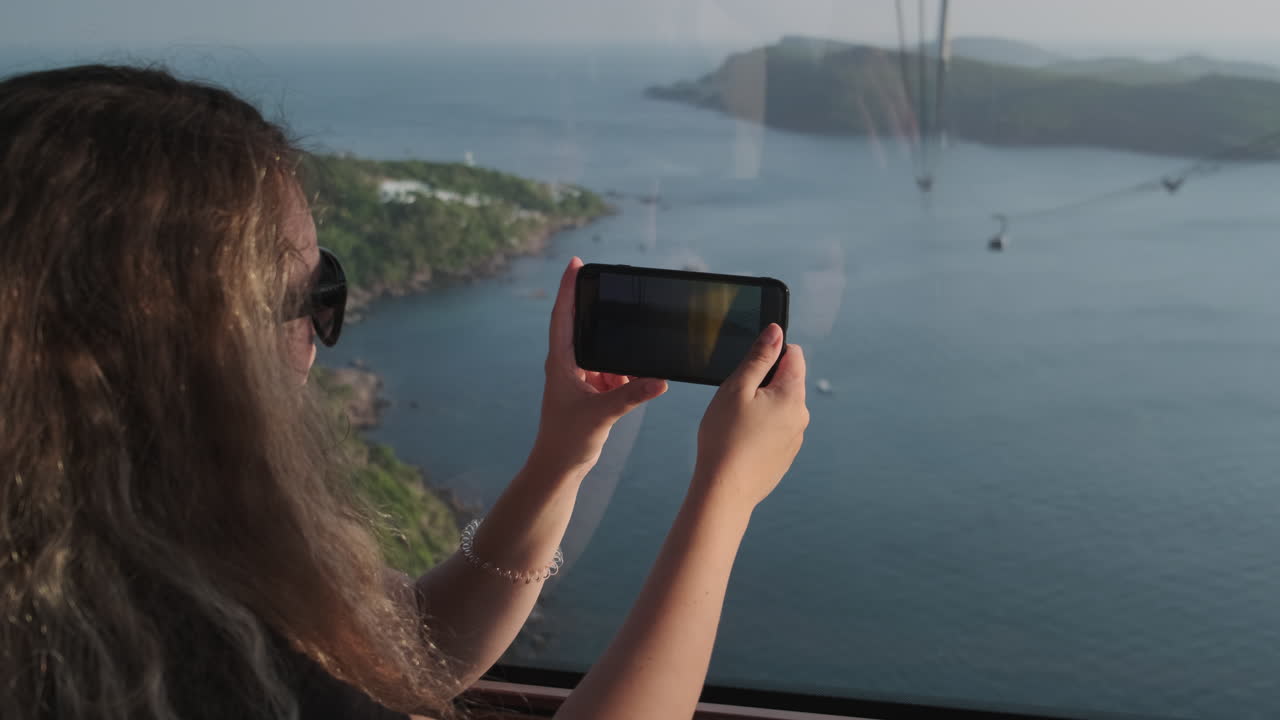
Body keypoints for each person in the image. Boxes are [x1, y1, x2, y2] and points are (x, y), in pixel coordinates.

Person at [0, 65, 809, 720]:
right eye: (311, 296)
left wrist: (564, 454)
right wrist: (724, 496)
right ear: (193, 352)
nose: (323, 328)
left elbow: (415, 654)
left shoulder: (109, 578)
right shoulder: (205, 661)